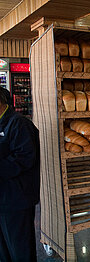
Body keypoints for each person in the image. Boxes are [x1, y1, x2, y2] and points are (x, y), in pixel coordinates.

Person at [0, 87, 40, 261]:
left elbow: (25, 158)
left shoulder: (18, 124)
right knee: (3, 249)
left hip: (16, 199)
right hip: (2, 198)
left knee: (20, 249)